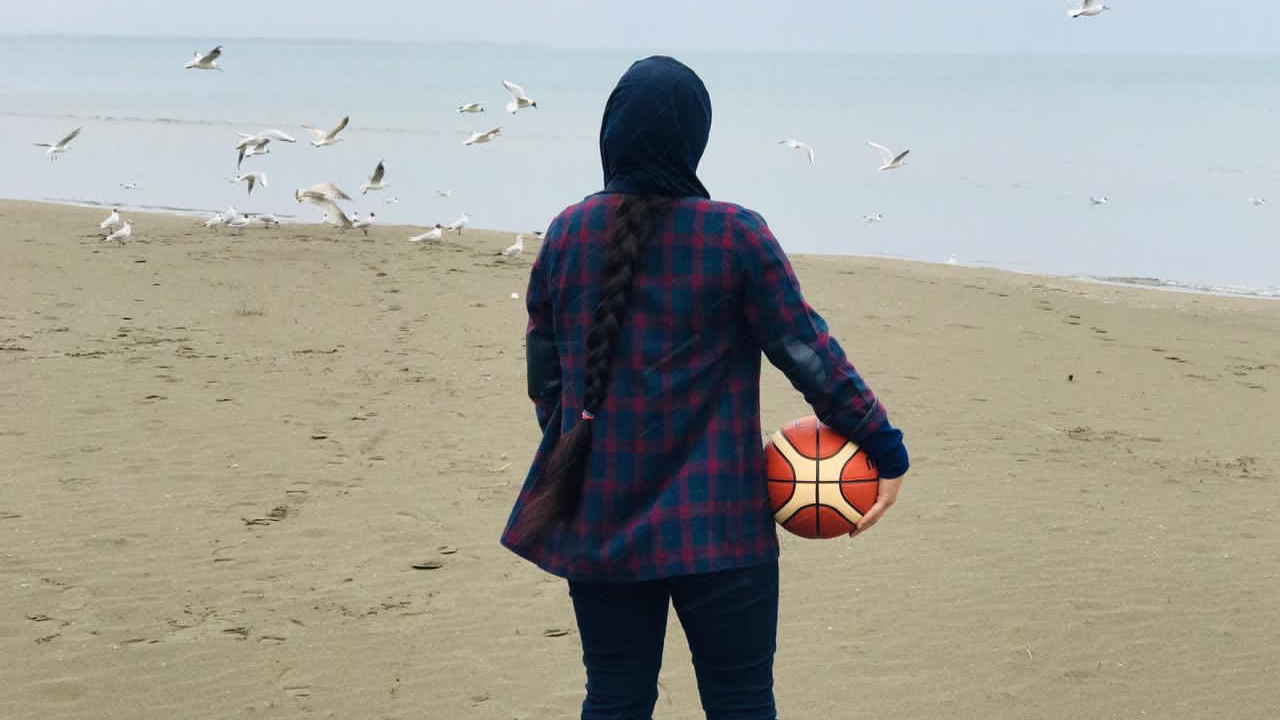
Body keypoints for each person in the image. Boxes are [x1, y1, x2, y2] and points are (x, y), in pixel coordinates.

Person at [501, 56, 909, 720]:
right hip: (721, 528)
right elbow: (809, 355)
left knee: (613, 699)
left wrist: (590, 451)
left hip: (600, 520)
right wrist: (885, 450)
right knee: (742, 703)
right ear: (696, 138)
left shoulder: (567, 235)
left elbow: (546, 385)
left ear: (610, 135)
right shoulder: (736, 236)